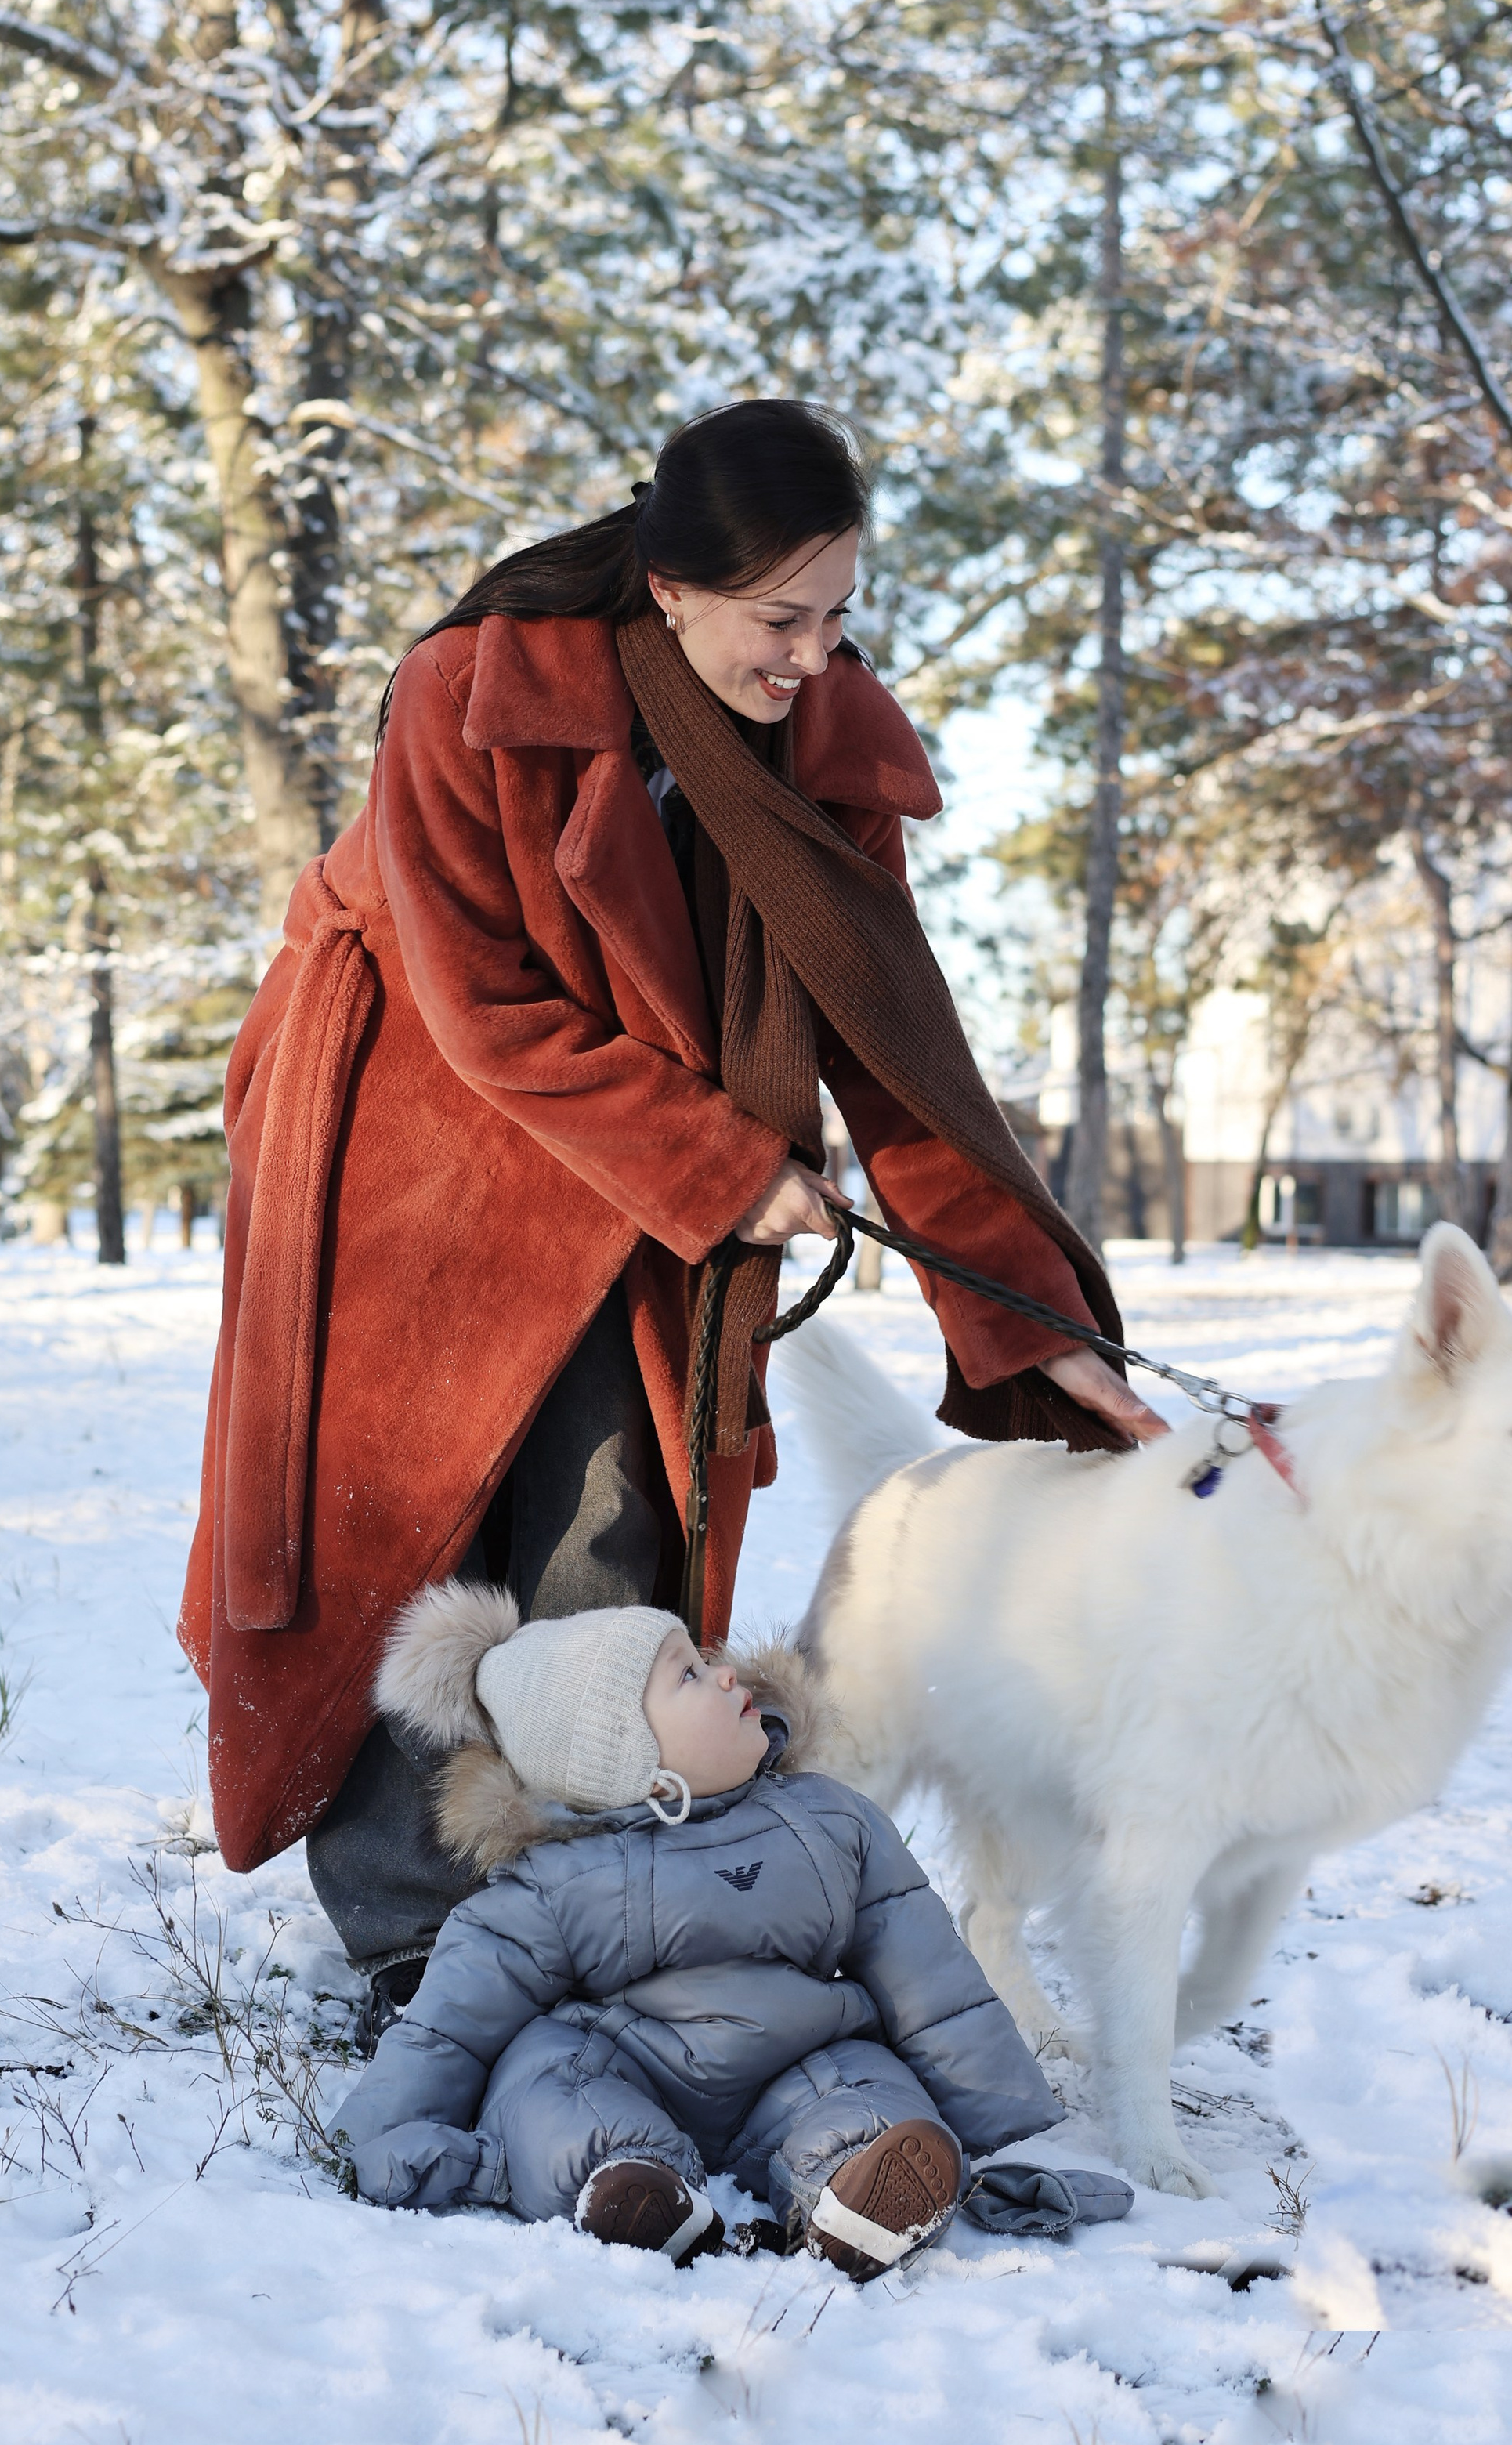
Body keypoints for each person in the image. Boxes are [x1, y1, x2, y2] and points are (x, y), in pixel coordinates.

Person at [178, 398, 1164, 2005]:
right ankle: (416, 1948)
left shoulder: (818, 749)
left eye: (839, 614)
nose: (810, 656)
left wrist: (1024, 1319)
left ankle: (583, 1907)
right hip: (405, 1131)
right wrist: (727, 1171)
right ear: (669, 588)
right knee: (403, 1527)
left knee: (609, 1511)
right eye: (779, 617)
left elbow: (893, 1044)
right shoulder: (470, 692)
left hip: (646, 1146)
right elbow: (481, 1005)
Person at [335, 1583, 1133, 2269]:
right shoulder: (553, 1882)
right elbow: (452, 2027)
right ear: (633, 1762)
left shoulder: (828, 1822)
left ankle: (858, 2188)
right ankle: (628, 2185)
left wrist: (1018, 2141)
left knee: (868, 2087)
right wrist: (381, 2131)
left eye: (703, 1655)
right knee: (545, 2084)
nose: (724, 1672)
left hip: (794, 2065)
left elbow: (935, 1990)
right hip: (625, 2063)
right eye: (688, 1674)